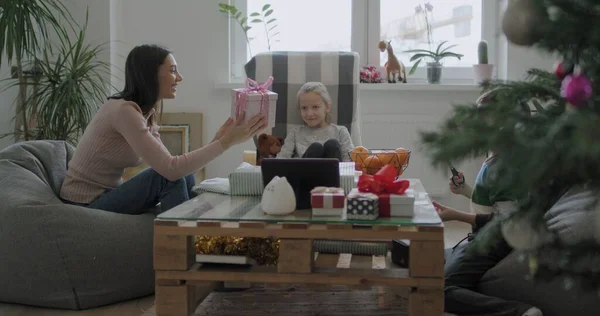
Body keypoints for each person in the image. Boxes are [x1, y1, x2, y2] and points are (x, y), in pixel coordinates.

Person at [59, 44, 267, 214]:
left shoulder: (145, 113)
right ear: (151, 74)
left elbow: (172, 166)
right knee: (167, 177)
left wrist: (217, 139)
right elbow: (169, 169)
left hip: (107, 194)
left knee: (184, 176)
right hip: (83, 204)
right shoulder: (124, 111)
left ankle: (197, 233)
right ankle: (186, 243)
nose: (180, 78)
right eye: (173, 70)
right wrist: (226, 142)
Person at [432, 154, 544, 316]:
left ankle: (521, 312)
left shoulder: (503, 168)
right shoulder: (493, 162)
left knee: (439, 290)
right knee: (428, 261)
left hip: (496, 241)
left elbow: (508, 222)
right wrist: (465, 189)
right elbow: (494, 205)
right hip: (483, 238)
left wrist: (456, 216)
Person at [276, 82, 354, 161]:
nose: (309, 113)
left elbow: (350, 162)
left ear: (327, 107)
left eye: (315, 107)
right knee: (316, 148)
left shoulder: (340, 131)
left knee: (332, 144)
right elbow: (281, 160)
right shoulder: (295, 133)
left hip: (333, 171)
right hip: (305, 172)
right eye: (304, 108)